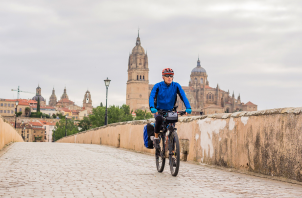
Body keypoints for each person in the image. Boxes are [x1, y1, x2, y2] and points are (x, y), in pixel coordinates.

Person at [149, 68, 191, 154]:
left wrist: (188, 107)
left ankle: (172, 152)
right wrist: (152, 107)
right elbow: (152, 96)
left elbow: (183, 96)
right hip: (159, 110)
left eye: (171, 76)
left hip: (170, 111)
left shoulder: (176, 86)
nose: (169, 77)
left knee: (172, 128)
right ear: (163, 77)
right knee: (159, 120)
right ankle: (156, 139)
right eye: (167, 76)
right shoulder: (157, 86)